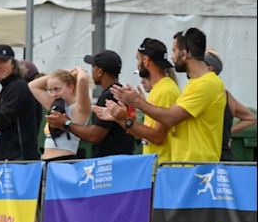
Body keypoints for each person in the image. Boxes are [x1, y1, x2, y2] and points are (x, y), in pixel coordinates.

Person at [98, 28, 226, 164]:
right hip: (183, 168)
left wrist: (136, 103)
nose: (172, 57)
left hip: (196, 170)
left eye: (174, 51)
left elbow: (169, 120)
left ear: (185, 53)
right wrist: (122, 118)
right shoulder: (194, 84)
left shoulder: (207, 84)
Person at [58, 50, 136, 158]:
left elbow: (94, 135)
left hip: (111, 163)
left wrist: (65, 123)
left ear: (99, 72)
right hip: (120, 159)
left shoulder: (110, 95)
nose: (91, 71)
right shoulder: (119, 92)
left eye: (93, 67)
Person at [125, 38, 182, 163]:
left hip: (162, 168)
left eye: (138, 59)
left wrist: (126, 120)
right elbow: (145, 134)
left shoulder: (166, 91)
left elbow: (157, 137)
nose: (137, 64)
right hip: (153, 167)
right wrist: (119, 117)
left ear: (146, 60)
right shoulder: (157, 89)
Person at [203, 51, 255, 161]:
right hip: (225, 156)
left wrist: (227, 131)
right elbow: (250, 118)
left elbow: (251, 118)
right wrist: (226, 132)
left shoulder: (206, 93)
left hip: (208, 156)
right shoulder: (226, 95)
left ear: (210, 68)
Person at [31, 68, 88, 160]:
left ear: (71, 87)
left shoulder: (79, 109)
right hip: (46, 162)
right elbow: (32, 85)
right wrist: (58, 76)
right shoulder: (55, 105)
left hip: (64, 161)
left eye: (57, 89)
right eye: (50, 90)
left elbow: (82, 80)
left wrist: (78, 69)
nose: (53, 94)